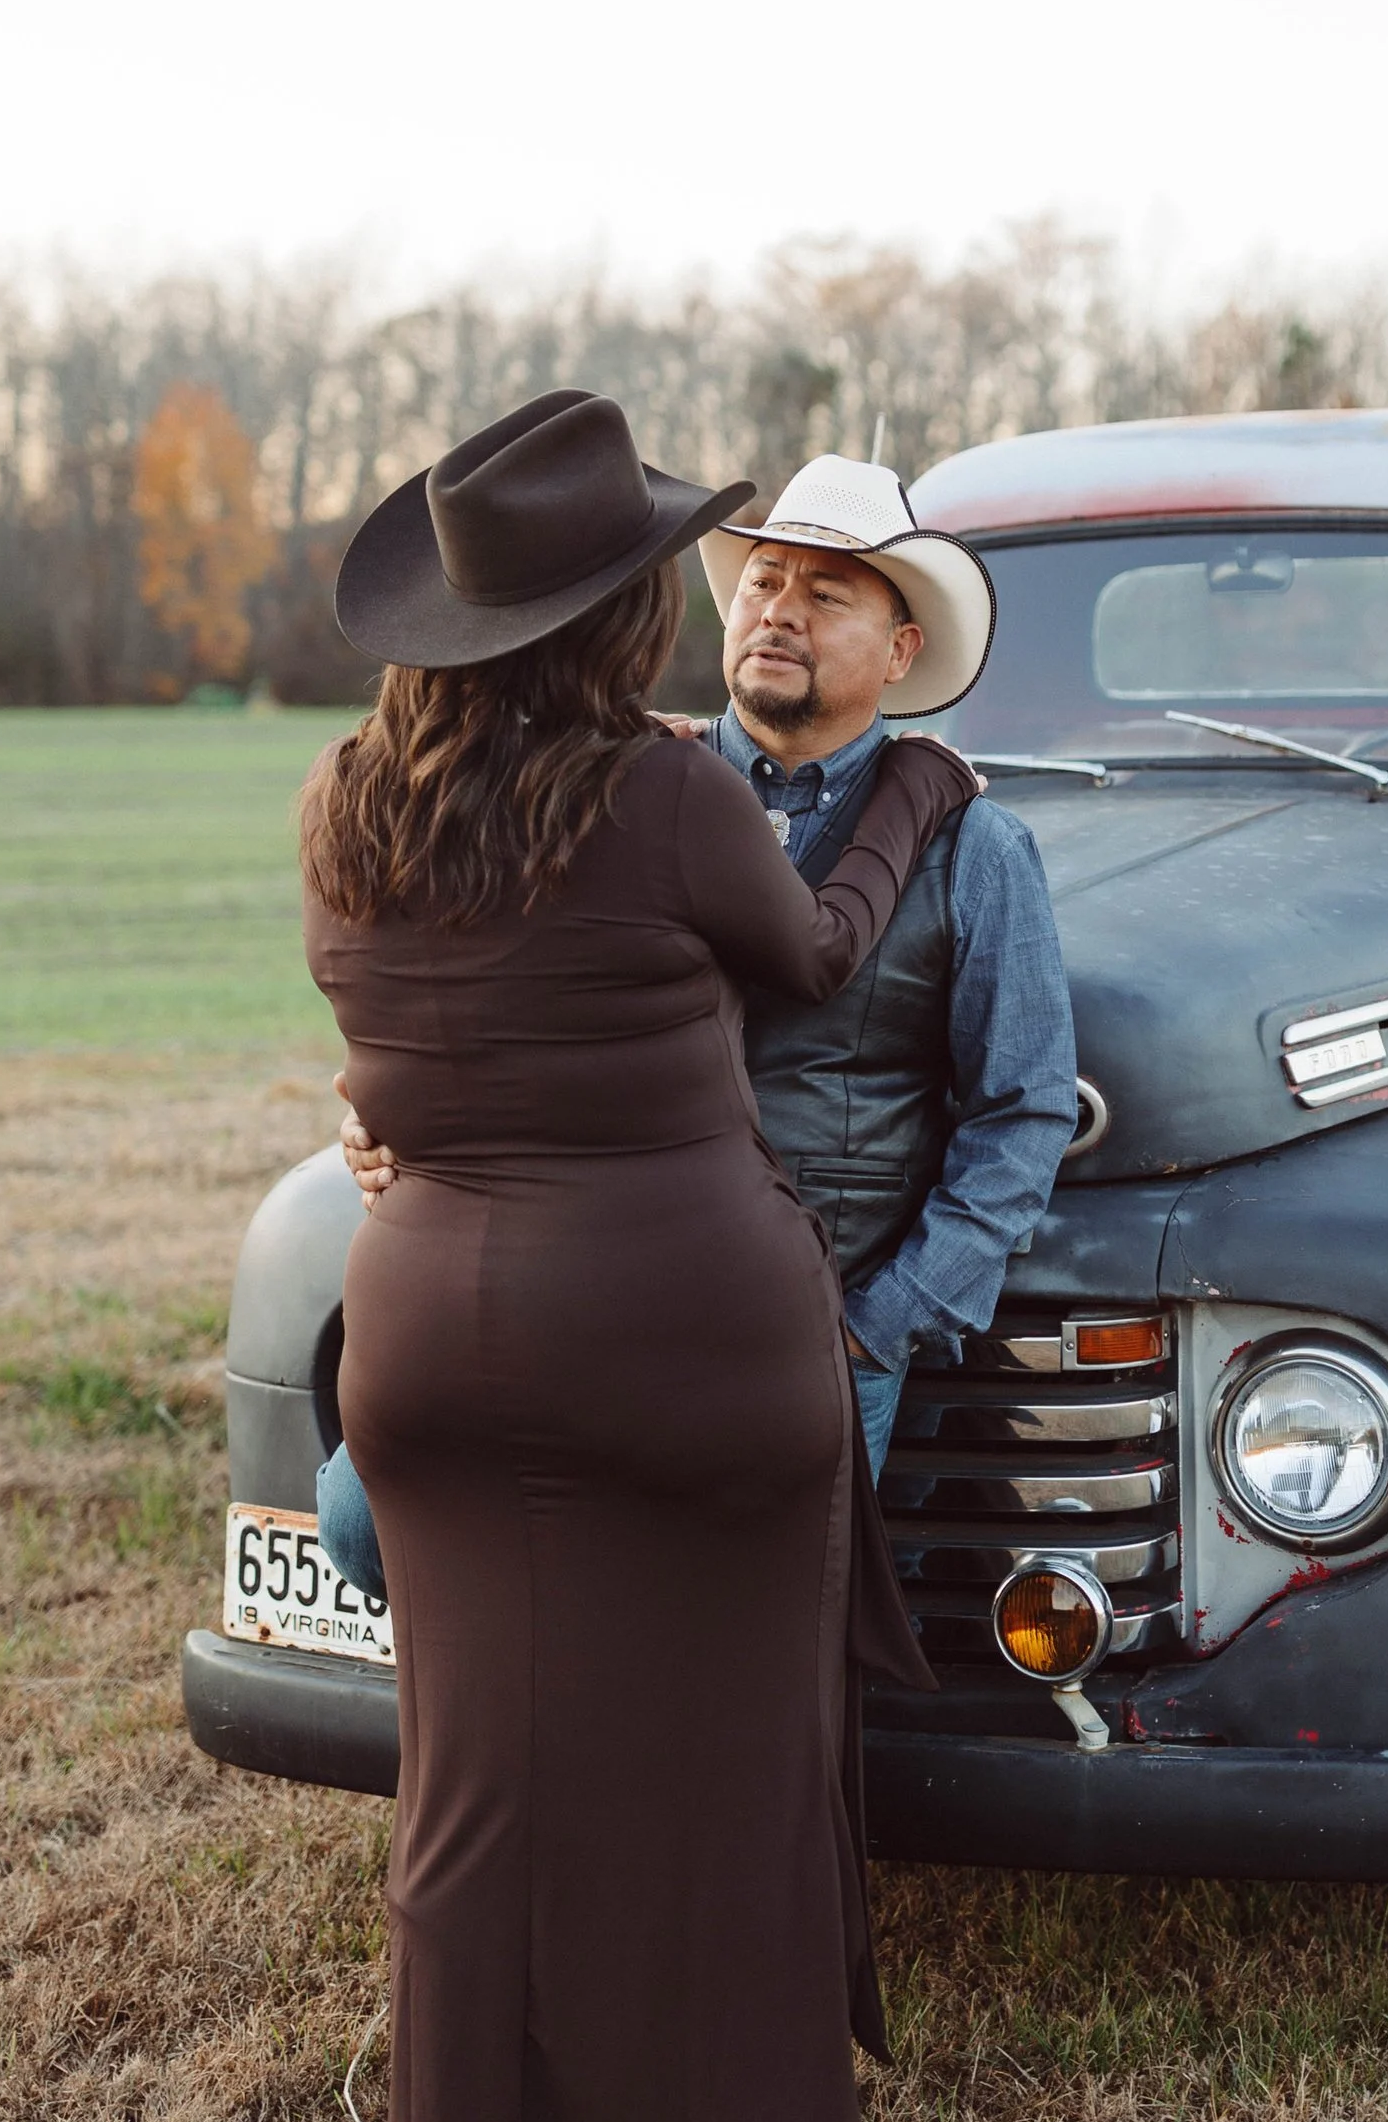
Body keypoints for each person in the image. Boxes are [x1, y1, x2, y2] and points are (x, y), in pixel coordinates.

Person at [301, 388, 975, 2122]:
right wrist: (917, 788)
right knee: (741, 1761)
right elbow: (819, 953)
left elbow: (398, 1059)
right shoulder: (669, 790)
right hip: (686, 1331)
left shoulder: (345, 803)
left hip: (429, 1334)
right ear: (610, 621)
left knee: (474, 1774)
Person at [323, 449, 1076, 1594]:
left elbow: (1022, 1115)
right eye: (765, 582)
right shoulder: (604, 793)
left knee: (745, 1630)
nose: (781, 612)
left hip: (819, 1329)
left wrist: (880, 1325)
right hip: (589, 1296)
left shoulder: (979, 852)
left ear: (902, 649)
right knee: (373, 1532)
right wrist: (395, 1131)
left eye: (828, 596)